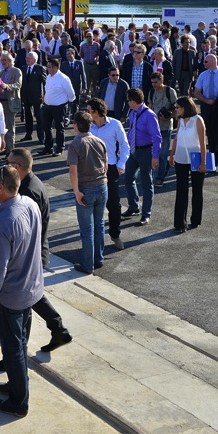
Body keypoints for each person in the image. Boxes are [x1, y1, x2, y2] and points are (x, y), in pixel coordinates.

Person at [0, 147, 73, 357]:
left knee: (29, 298)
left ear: (16, 166)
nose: (5, 163)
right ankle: (56, 331)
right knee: (32, 296)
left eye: (8, 161)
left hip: (30, 252)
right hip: (34, 249)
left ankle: (20, 355)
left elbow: (13, 223)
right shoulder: (31, 184)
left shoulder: (28, 192)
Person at [0, 165, 43, 419]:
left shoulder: (3, 224)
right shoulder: (28, 204)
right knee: (21, 342)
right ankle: (17, 384)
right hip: (31, 290)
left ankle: (19, 401)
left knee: (12, 348)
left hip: (10, 297)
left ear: (1, 188)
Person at [67, 110, 108, 274]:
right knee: (99, 225)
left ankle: (87, 264)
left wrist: (76, 191)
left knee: (87, 229)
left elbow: (73, 171)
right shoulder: (99, 141)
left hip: (86, 188)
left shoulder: (75, 144)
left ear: (76, 125)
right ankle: (99, 258)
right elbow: (105, 165)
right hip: (102, 186)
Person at [88, 98, 129, 251]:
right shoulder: (88, 126)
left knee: (113, 204)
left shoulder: (115, 125)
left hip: (110, 168)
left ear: (96, 112)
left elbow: (125, 146)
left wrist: (120, 164)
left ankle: (114, 234)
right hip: (91, 170)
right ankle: (93, 239)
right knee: (91, 204)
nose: (87, 113)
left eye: (89, 110)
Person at [121, 88, 162, 226]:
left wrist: (155, 156)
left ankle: (146, 214)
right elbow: (132, 130)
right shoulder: (133, 113)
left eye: (128, 100)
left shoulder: (149, 115)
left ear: (133, 101)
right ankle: (134, 206)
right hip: (134, 151)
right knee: (128, 178)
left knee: (146, 183)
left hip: (146, 152)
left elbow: (157, 137)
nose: (127, 103)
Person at [169, 97, 207, 232]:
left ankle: (195, 220)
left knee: (197, 190)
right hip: (180, 158)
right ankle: (180, 223)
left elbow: (202, 143)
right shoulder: (180, 120)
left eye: (178, 107)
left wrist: (203, 162)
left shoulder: (198, 120)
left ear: (185, 107)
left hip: (195, 158)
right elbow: (177, 137)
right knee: (181, 190)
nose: (176, 109)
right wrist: (172, 154)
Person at [39, 57, 76, 158]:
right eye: (47, 67)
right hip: (47, 106)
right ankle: (48, 147)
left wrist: (66, 102)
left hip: (59, 106)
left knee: (59, 127)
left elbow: (71, 94)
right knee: (47, 127)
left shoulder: (63, 78)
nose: (48, 69)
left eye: (49, 67)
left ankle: (60, 148)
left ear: (55, 67)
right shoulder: (49, 77)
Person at [147, 71, 177, 187]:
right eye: (152, 82)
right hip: (153, 128)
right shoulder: (151, 92)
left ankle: (160, 178)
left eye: (156, 82)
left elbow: (177, 109)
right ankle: (155, 174)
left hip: (166, 127)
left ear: (162, 80)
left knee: (163, 154)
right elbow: (149, 108)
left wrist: (168, 116)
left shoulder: (170, 92)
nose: (154, 84)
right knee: (154, 153)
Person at [0, 52, 22, 153]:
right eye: (1, 60)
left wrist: (6, 86)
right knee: (1, 127)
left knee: (10, 128)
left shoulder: (17, 71)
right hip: (1, 102)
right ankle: (4, 148)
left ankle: (10, 151)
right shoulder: (2, 72)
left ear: (11, 61)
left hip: (10, 103)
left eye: (5, 60)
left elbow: (18, 85)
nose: (3, 62)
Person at [21, 51, 46, 143]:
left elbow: (45, 82)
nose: (27, 59)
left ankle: (41, 136)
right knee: (28, 116)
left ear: (35, 60)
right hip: (26, 96)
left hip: (37, 97)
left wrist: (45, 95)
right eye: (26, 58)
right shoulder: (23, 68)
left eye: (29, 58)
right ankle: (28, 134)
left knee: (39, 117)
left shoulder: (40, 68)